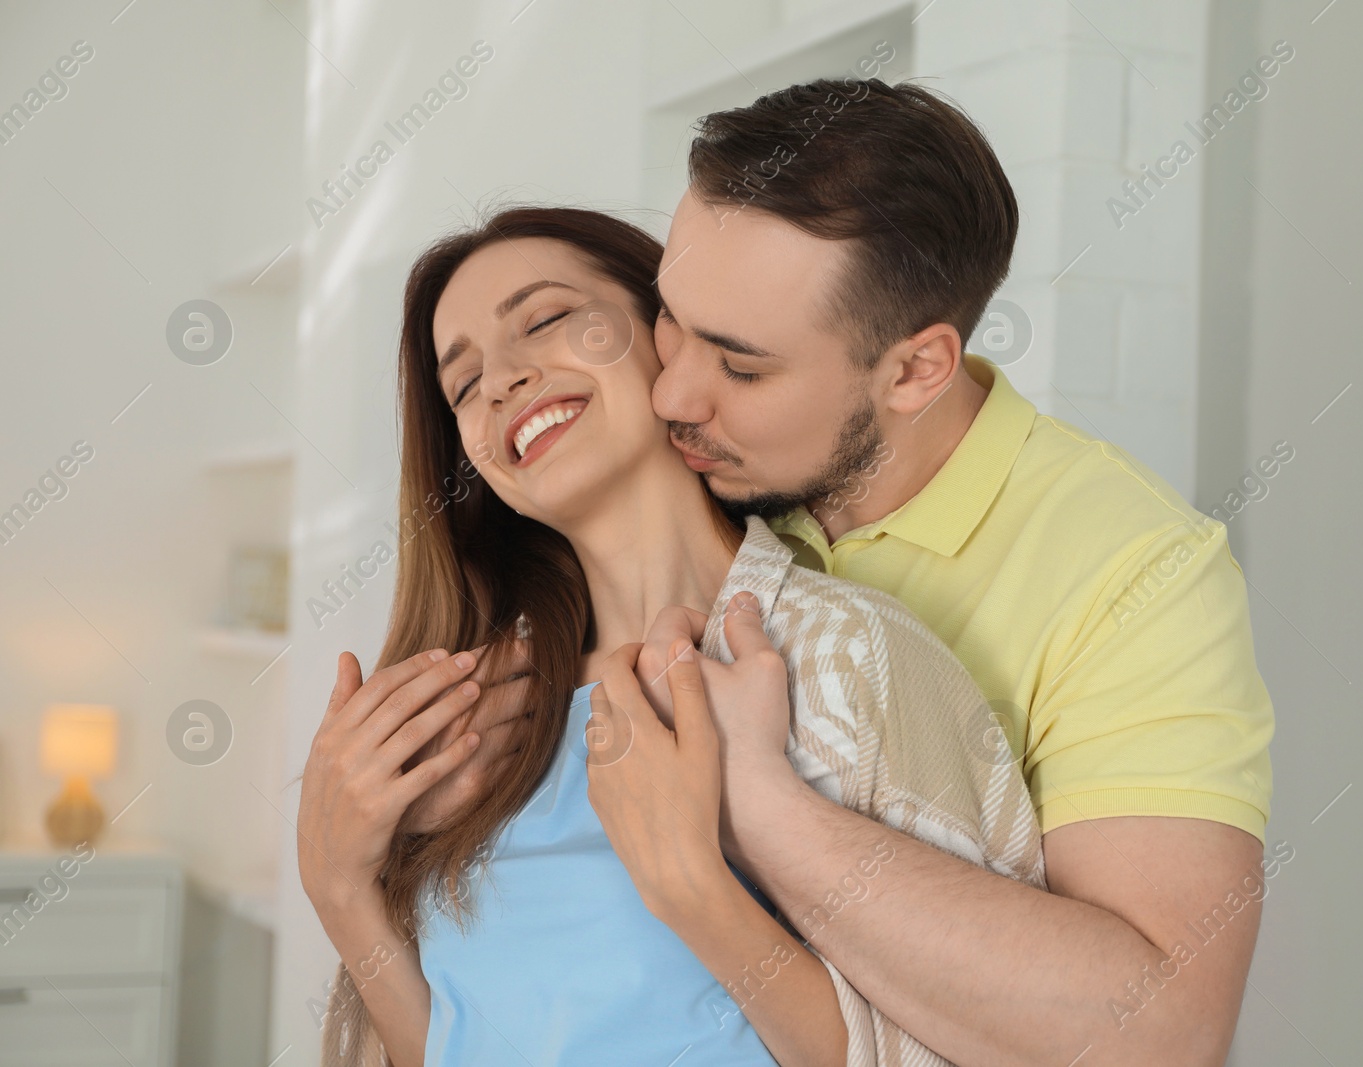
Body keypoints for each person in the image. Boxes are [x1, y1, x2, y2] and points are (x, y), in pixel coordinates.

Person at [427, 77, 1278, 1065]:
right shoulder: (692, 481)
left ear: (916, 370)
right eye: (671, 319)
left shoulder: (1133, 573)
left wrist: (758, 809)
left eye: (741, 367)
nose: (674, 388)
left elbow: (1160, 1034)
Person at [295, 206, 1044, 1067]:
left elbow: (980, 1045)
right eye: (463, 386)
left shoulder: (846, 658)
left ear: (670, 340)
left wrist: (693, 886)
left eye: (542, 320)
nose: (500, 381)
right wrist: (339, 888)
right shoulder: (479, 730)